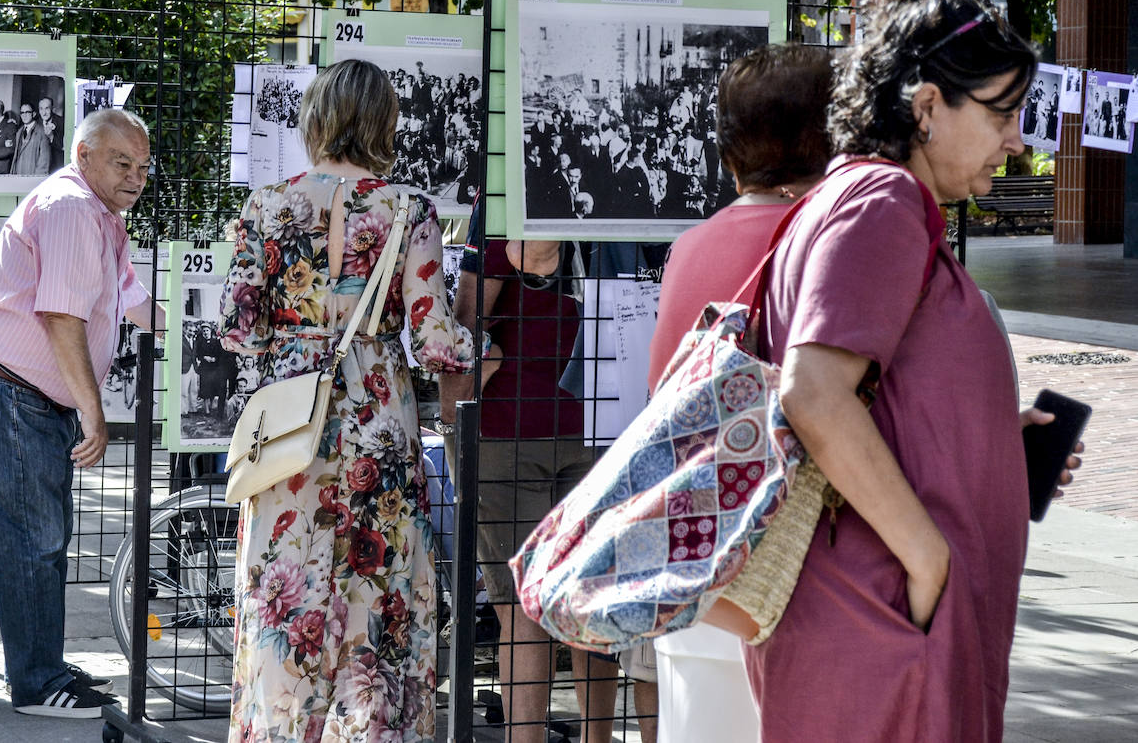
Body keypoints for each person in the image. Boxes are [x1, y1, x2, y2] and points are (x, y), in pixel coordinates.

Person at [747, 0, 1080, 741]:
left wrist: (992, 442)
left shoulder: (871, 202)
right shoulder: (883, 203)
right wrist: (930, 564)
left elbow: (879, 398)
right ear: (927, 107)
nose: (1018, 140)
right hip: (886, 627)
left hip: (888, 626)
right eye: (1001, 112)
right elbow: (816, 393)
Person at [221, 59, 480, 741]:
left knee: (288, 590)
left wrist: (303, 324)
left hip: (290, 421)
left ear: (317, 119)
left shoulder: (268, 205)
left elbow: (237, 328)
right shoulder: (409, 209)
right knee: (380, 598)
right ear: (382, 122)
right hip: (376, 417)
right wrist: (476, 349)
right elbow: (433, 342)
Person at [644, 43, 836, 742]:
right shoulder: (835, 241)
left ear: (728, 148)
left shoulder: (691, 246)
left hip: (698, 557)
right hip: (802, 579)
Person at [0, 108, 160, 718]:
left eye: (144, 168)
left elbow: (128, 297)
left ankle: (43, 666)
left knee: (41, 538)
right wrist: (96, 414)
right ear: (84, 154)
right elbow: (62, 316)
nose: (135, 177)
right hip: (12, 393)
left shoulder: (94, 212)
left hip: (19, 393)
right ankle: (37, 684)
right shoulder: (73, 208)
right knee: (30, 541)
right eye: (122, 163)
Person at [439, 229, 620, 743]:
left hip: (507, 426)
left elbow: (470, 319)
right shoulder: (610, 186)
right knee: (589, 601)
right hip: (598, 418)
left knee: (524, 609)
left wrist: (454, 405)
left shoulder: (505, 192)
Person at [11, 103, 50, 176]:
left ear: (34, 114)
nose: (24, 115)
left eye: (27, 112)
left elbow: (44, 160)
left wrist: (37, 178)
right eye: (22, 113)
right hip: (19, 175)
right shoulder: (19, 131)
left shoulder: (41, 131)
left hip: (32, 175)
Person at [37, 97, 66, 171]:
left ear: (52, 109)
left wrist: (51, 137)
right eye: (41, 109)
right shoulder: (36, 123)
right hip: (40, 166)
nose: (44, 113)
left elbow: (64, 147)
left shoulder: (62, 122)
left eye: (47, 108)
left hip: (56, 167)